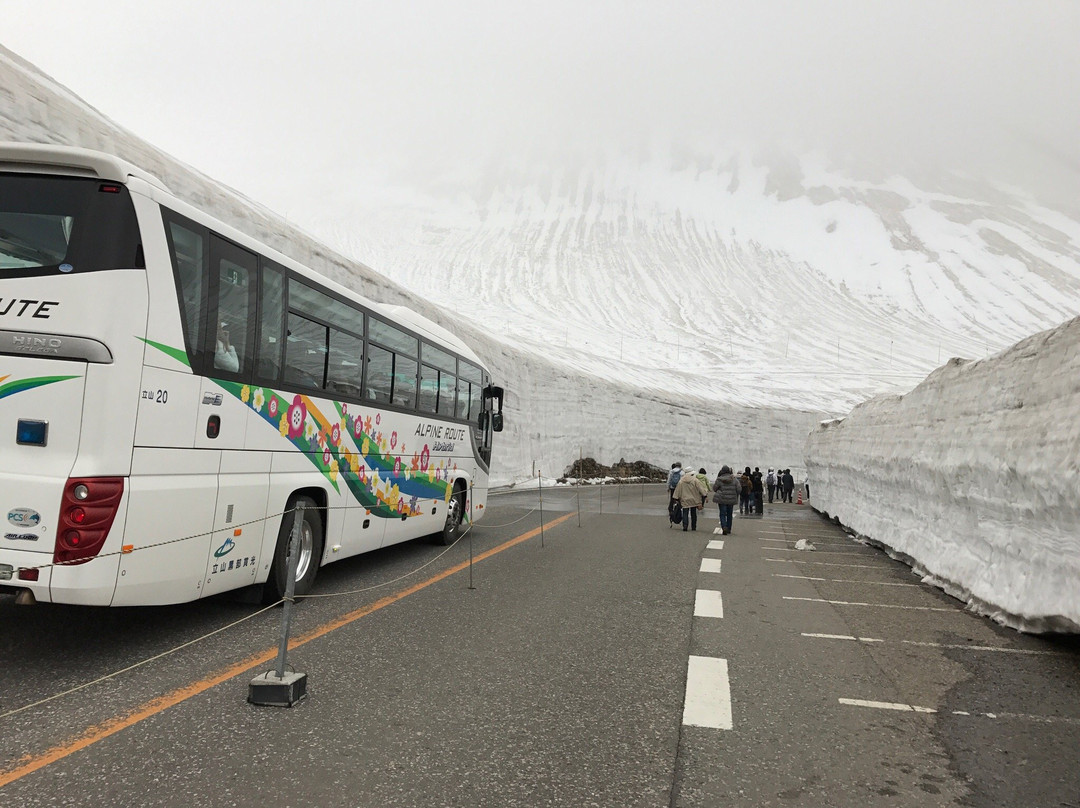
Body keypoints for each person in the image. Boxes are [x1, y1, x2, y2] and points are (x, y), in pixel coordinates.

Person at [712, 465, 740, 535]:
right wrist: (735, 494)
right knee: (729, 514)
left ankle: (724, 526)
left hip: (722, 499)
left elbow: (714, 488)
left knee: (722, 514)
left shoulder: (719, 479)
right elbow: (739, 489)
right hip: (731, 499)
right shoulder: (734, 479)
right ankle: (729, 528)